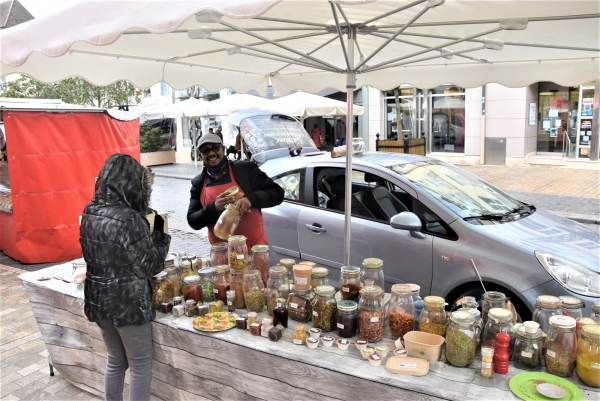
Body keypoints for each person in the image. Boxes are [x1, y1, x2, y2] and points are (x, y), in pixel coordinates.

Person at [80, 154, 171, 401]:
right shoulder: (130, 219)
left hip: (99, 299)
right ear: (132, 183)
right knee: (140, 365)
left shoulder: (91, 210)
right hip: (128, 304)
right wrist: (160, 232)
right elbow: (152, 265)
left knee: (115, 361)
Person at [187, 134, 284, 249]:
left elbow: (277, 193)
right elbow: (193, 221)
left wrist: (250, 199)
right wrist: (215, 208)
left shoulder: (245, 169)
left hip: (253, 249)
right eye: (205, 150)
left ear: (223, 149)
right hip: (221, 253)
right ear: (200, 156)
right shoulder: (198, 183)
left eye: (215, 148)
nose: (211, 153)